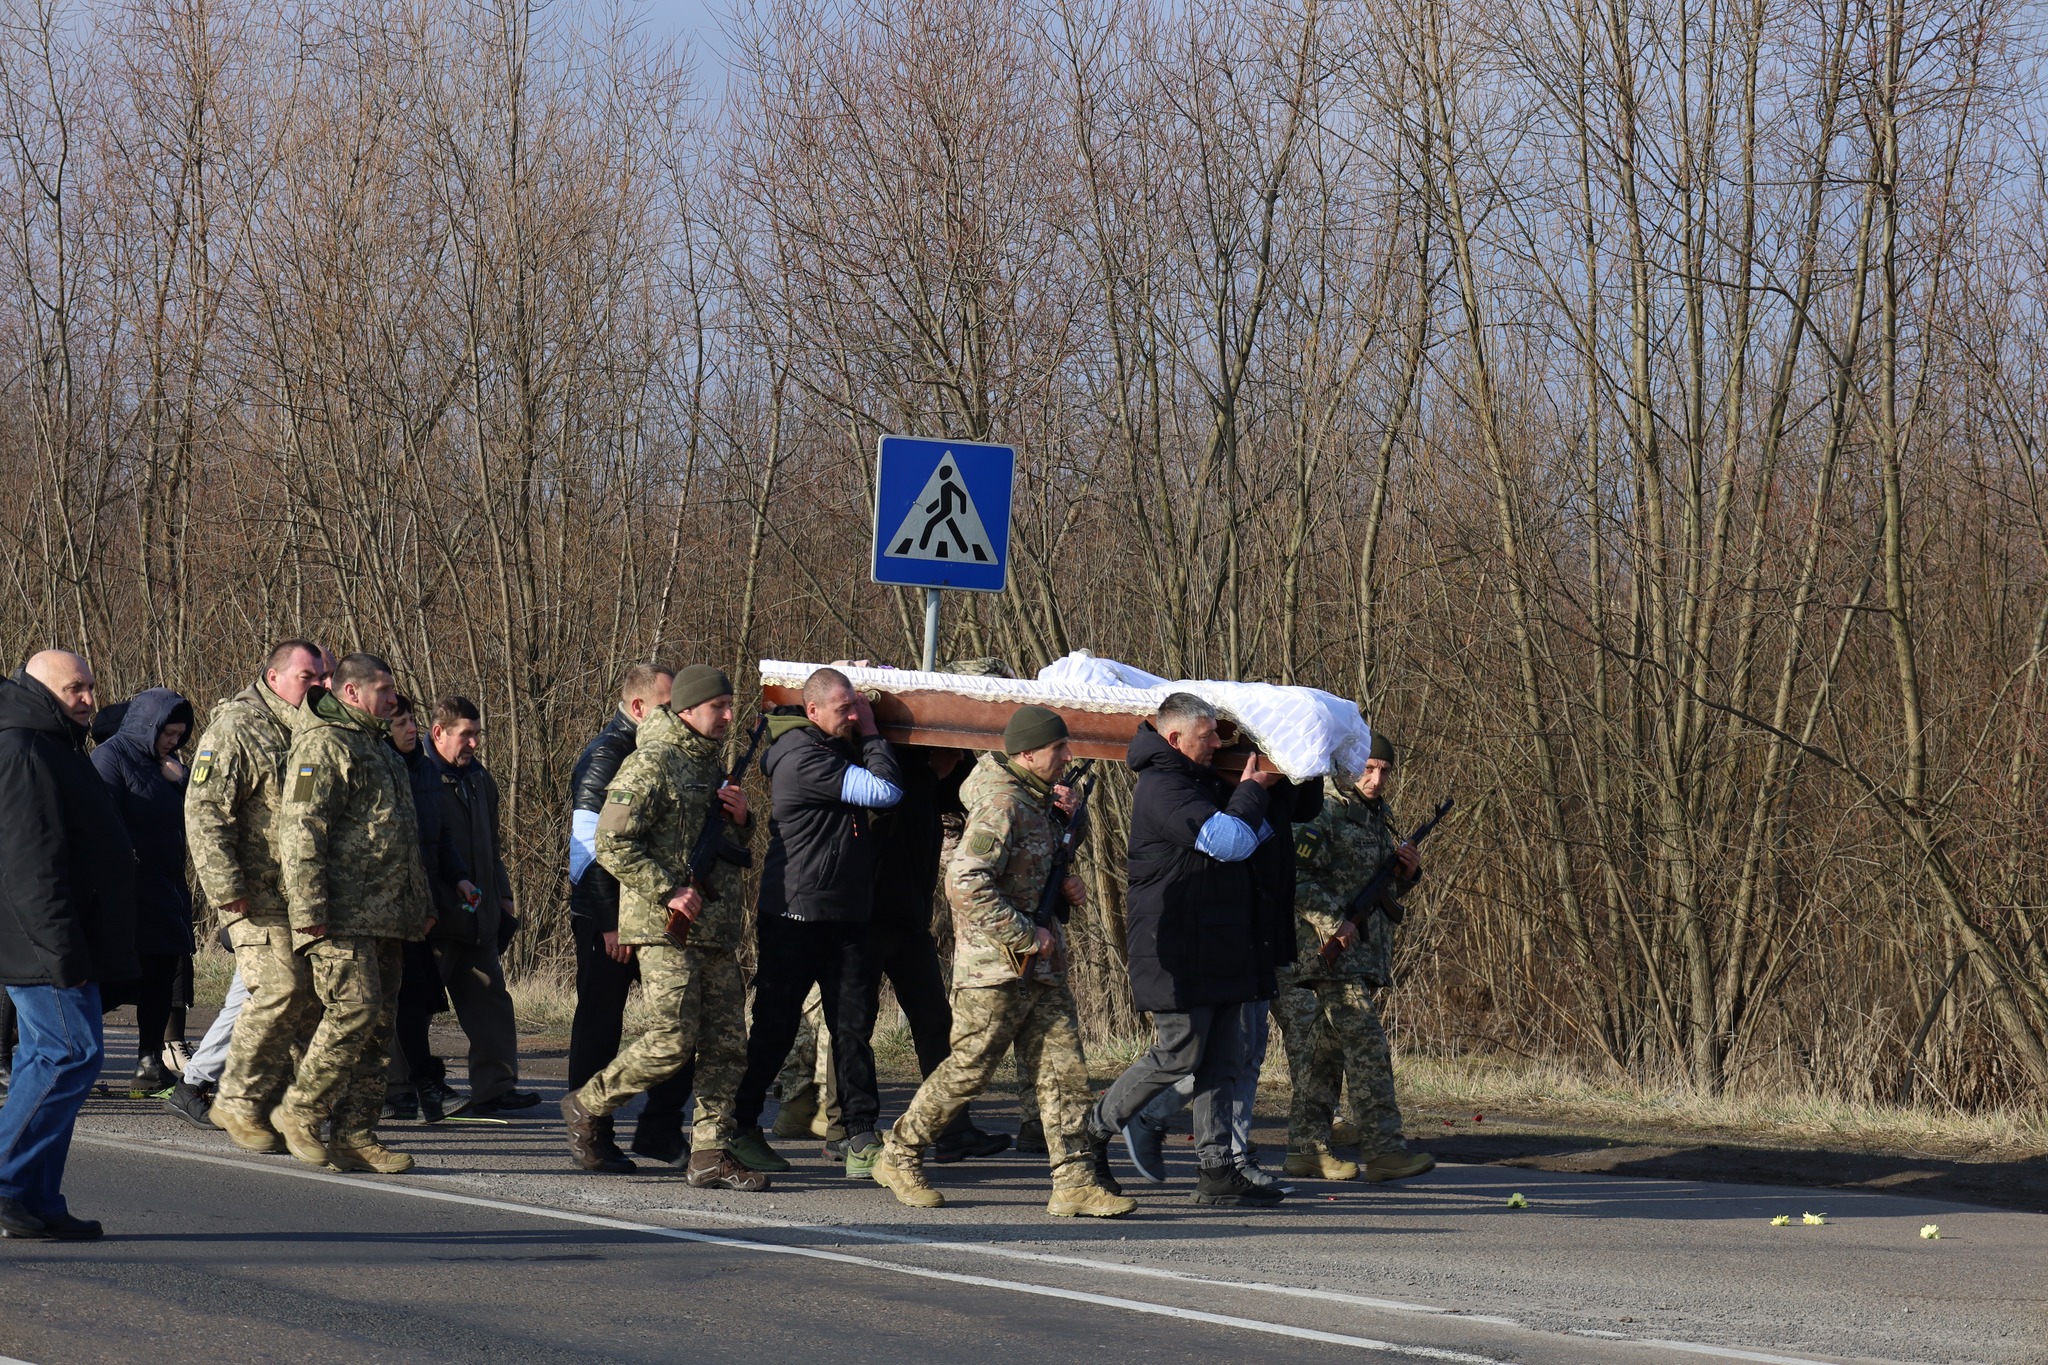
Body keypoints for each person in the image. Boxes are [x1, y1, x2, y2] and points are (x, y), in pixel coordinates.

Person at [872, 707, 1134, 1218]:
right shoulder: (1001, 804)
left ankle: (1075, 1183)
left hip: (1039, 968)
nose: (1067, 756)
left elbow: (1032, 869)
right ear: (1027, 754)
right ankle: (899, 1153)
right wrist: (1024, 934)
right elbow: (965, 882)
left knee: (1064, 1073)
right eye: (1058, 749)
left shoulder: (1034, 800)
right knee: (969, 1071)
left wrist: (1064, 891)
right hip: (995, 969)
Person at [560, 666, 763, 1190]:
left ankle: (710, 1153)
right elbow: (610, 843)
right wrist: (667, 889)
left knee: (725, 1046)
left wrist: (744, 819)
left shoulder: (711, 765)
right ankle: (588, 1103)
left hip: (715, 931)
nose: (726, 716)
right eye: (716, 706)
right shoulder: (649, 764)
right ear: (687, 710)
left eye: (728, 705)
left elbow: (729, 847)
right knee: (671, 1039)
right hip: (662, 929)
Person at [1084, 692, 1286, 1208]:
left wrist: (1272, 792)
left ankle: (1217, 1168)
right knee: (1181, 1051)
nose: (1219, 743)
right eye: (1209, 735)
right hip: (1176, 949)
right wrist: (1251, 793)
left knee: (1223, 1056)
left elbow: (1255, 835)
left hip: (1217, 943)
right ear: (1174, 738)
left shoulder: (1194, 781)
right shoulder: (1164, 787)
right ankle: (1090, 1133)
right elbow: (1230, 841)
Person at [726, 666, 902, 1178]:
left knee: (853, 1028)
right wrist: (871, 730)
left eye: (856, 705)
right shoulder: (802, 758)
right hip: (795, 915)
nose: (853, 714)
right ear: (812, 711)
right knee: (775, 1028)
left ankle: (857, 1134)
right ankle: (740, 1128)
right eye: (844, 708)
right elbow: (885, 792)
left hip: (845, 916)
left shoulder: (829, 746)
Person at [273, 653, 432, 1174]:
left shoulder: (377, 744)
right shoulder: (322, 744)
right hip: (339, 914)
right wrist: (310, 908)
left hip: (385, 913)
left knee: (379, 1028)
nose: (392, 697)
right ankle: (300, 1110)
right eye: (383, 689)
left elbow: (398, 834)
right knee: (354, 1009)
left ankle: (355, 1133)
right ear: (351, 693)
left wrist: (420, 903)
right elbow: (300, 831)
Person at [1127, 770, 1321, 1192]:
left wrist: (1300, 769)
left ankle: (1174, 1124)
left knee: (1242, 1050)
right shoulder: (1227, 779)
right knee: (1228, 1049)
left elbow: (1306, 808)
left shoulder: (1273, 779)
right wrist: (1256, 784)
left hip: (1264, 924)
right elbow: (1230, 845)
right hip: (1238, 927)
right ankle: (1220, 1151)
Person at [0, 650, 137, 1240]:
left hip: (58, 936)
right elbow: (28, 867)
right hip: (42, 942)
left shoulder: (54, 744)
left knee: (44, 1058)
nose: (88, 698)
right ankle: (8, 1184)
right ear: (39, 689)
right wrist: (61, 954)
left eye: (90, 686)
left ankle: (34, 1199)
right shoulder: (24, 749)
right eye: (74, 687)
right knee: (69, 1055)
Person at [177, 640, 332, 1143]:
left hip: (301, 895)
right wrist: (226, 891)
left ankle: (290, 1108)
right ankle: (230, 1100)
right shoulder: (237, 728)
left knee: (308, 999)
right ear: (273, 677)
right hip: (254, 894)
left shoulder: (311, 729)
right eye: (308, 677)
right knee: (279, 988)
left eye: (324, 676)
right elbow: (204, 812)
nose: (319, 685)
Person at [1277, 732, 1436, 1184]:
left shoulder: (1375, 817)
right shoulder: (1322, 810)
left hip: (1361, 956)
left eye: (1384, 771)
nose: (1376, 778)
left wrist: (1407, 873)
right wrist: (1333, 922)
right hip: (1328, 957)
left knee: (1325, 1054)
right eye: (1368, 768)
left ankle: (1305, 1150)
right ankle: (1386, 1150)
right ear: (1348, 767)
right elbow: (1296, 877)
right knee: (1367, 1049)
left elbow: (1378, 889)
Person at [566, 663, 693, 1170]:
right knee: (600, 1023)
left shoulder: (663, 752)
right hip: (609, 915)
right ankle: (590, 1133)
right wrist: (609, 922)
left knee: (680, 1021)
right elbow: (587, 851)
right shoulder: (604, 757)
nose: (677, 718)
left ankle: (660, 1130)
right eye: (667, 707)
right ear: (639, 708)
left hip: (652, 911)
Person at [414, 696, 535, 1114]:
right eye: (466, 735)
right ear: (438, 733)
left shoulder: (480, 780)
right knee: (411, 1007)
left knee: (491, 1000)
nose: (474, 744)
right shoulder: (420, 777)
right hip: (437, 920)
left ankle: (495, 1087)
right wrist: (425, 908)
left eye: (477, 734)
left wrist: (503, 896)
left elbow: (492, 846)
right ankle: (396, 1090)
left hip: (479, 916)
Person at [91, 688, 198, 1095]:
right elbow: (101, 822)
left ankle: (149, 1061)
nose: (173, 741)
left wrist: (183, 780)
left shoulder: (168, 766)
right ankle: (52, 1048)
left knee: (159, 978)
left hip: (165, 887)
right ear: (148, 725)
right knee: (116, 981)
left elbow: (197, 812)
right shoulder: (110, 757)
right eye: (168, 732)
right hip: (126, 892)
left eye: (179, 734)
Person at [384, 694, 476, 1122]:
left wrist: (456, 878)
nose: (409, 729)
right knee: (377, 1002)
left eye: (410, 721)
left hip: (415, 901)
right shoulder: (378, 766)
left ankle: (421, 1086)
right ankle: (398, 1087)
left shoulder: (423, 771)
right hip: (378, 902)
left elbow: (436, 840)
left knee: (415, 997)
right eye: (400, 722)